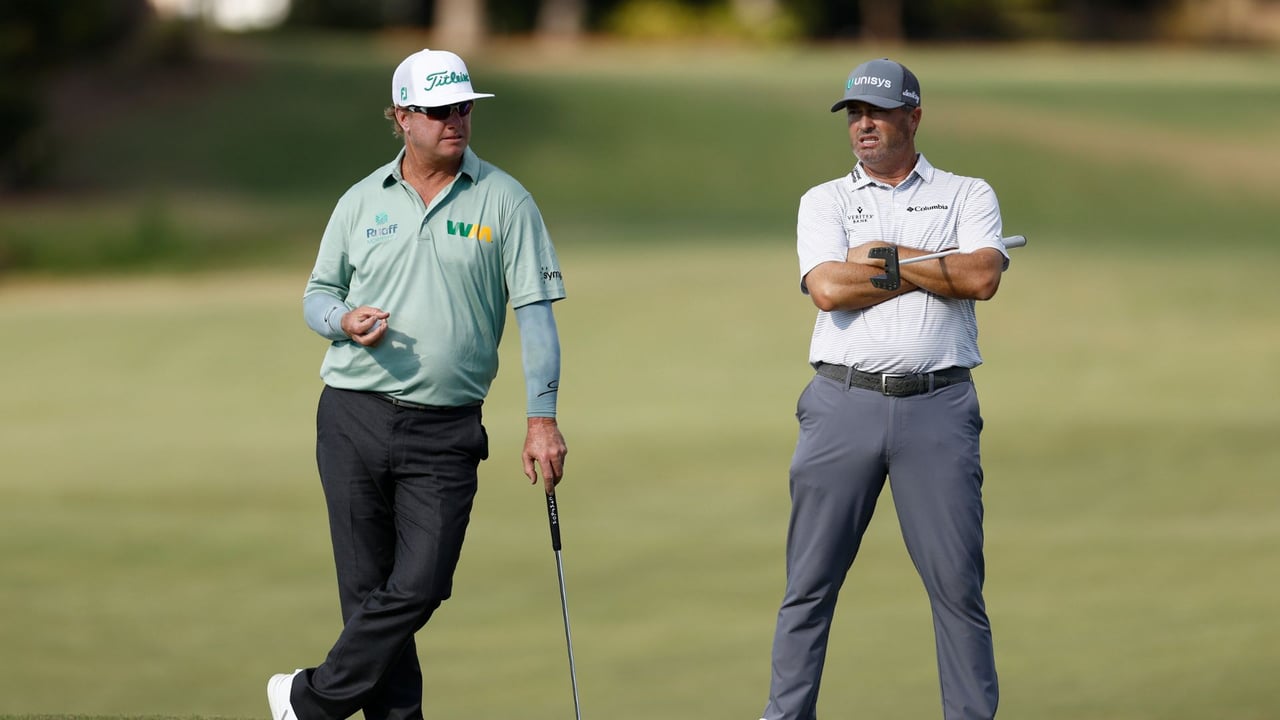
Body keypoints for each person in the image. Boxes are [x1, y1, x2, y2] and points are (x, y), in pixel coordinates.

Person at [268, 48, 568, 720]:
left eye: (463, 107)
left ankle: (307, 701)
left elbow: (536, 318)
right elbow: (318, 293)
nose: (456, 120)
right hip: (352, 416)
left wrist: (541, 418)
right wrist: (342, 320)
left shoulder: (505, 199)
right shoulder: (360, 201)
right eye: (438, 110)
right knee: (368, 593)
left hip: (447, 426)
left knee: (421, 586)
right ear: (402, 117)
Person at [761, 58, 1009, 720]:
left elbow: (983, 274)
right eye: (854, 114)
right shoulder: (825, 200)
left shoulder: (967, 193)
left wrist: (886, 259)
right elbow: (828, 287)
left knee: (958, 585)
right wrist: (934, 264)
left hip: (939, 406)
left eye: (877, 111)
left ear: (914, 116)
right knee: (809, 583)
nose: (863, 125)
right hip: (843, 403)